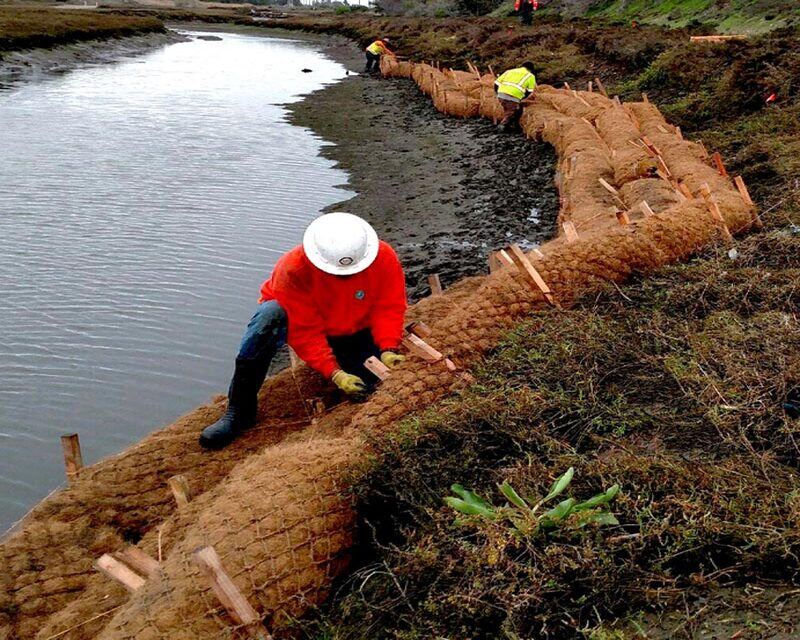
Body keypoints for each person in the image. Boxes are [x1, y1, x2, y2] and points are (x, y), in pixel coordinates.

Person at [200, 212, 408, 449]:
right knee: (269, 315)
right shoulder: (293, 269)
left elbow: (389, 307)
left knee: (368, 387)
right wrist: (334, 373)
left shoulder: (382, 257)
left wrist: (388, 347)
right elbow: (304, 330)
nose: (347, 277)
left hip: (354, 326)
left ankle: (352, 356)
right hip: (305, 321)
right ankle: (240, 410)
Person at [494, 61, 537, 131]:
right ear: (531, 69)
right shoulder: (530, 76)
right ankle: (502, 126)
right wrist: (522, 98)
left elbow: (496, 83)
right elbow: (529, 91)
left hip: (501, 94)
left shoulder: (509, 71)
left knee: (511, 109)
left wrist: (497, 93)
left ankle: (514, 125)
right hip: (513, 96)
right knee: (512, 112)